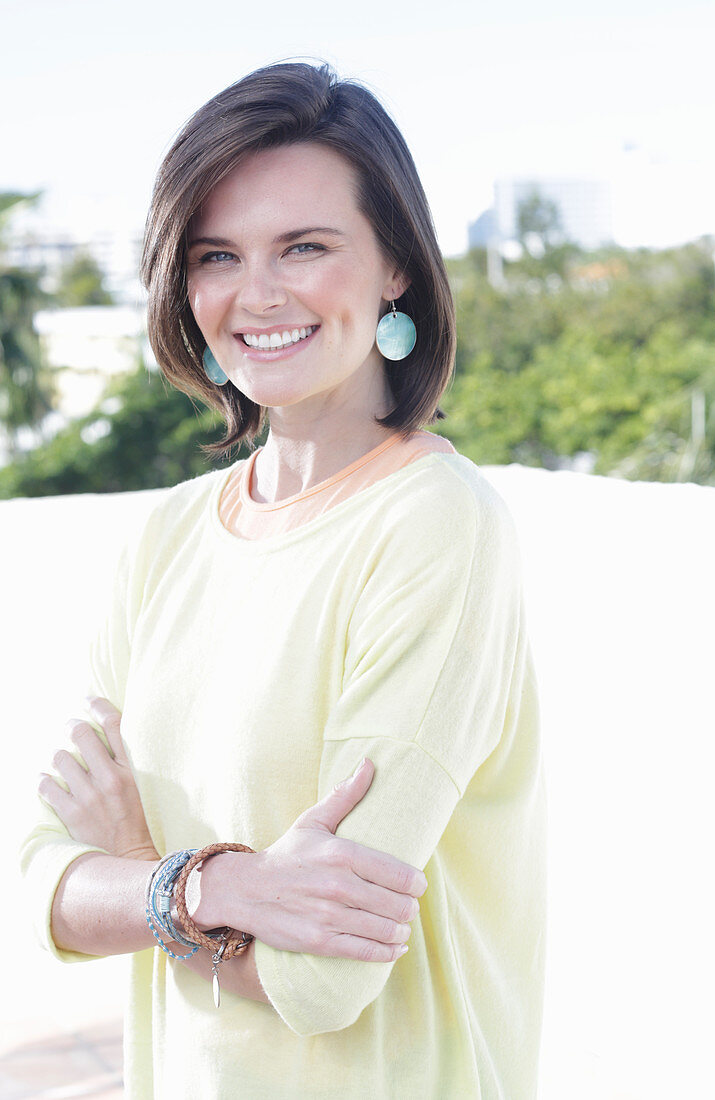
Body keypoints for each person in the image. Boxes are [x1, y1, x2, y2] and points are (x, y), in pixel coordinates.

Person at [20, 61, 547, 1099]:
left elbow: (320, 981)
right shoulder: (165, 537)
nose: (256, 294)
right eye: (218, 254)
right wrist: (224, 886)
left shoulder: (434, 525)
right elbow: (35, 879)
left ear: (395, 263)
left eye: (303, 246)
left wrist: (143, 876)